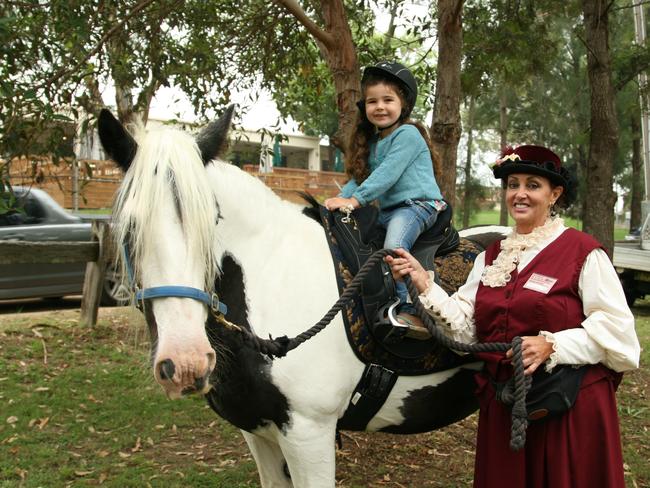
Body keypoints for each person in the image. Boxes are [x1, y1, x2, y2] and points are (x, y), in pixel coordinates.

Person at [386, 144, 640, 487]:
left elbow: (619, 333)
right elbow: (467, 330)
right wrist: (423, 283)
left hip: (569, 408)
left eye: (533, 185)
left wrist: (553, 345)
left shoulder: (582, 252)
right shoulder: (491, 257)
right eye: (512, 184)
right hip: (507, 407)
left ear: (555, 194)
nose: (520, 194)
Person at [324, 60, 446, 329]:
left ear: (403, 104)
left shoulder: (408, 135)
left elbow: (386, 175)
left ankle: (408, 308)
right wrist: (334, 204)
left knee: (394, 245)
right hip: (390, 210)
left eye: (387, 100)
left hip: (418, 206)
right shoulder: (373, 143)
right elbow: (360, 179)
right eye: (372, 101)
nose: (379, 107)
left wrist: (354, 201)